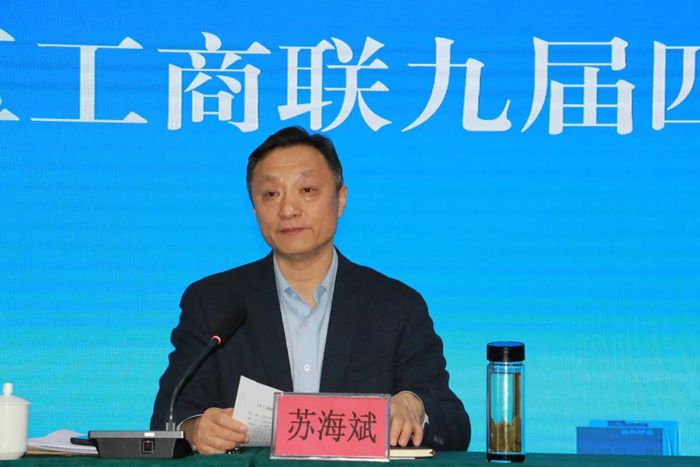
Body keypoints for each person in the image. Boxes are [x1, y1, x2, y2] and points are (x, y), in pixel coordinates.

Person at [151, 126, 471, 454]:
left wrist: (415, 405)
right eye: (271, 194)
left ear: (340, 199)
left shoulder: (396, 306)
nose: (288, 210)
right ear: (254, 208)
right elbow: (169, 415)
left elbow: (455, 428)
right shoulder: (213, 302)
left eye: (306, 190)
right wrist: (195, 429)